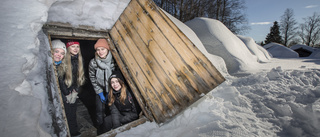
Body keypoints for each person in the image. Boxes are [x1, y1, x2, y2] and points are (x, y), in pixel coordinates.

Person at [88, 39, 115, 134]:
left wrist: (111, 90)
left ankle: (112, 127)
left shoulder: (113, 61)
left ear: (108, 49)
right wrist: (99, 92)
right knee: (100, 110)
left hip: (112, 89)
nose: (100, 52)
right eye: (98, 50)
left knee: (112, 108)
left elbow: (117, 76)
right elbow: (92, 77)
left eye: (103, 49)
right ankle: (101, 129)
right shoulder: (93, 62)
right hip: (99, 88)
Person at [60, 40, 85, 137]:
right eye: (73, 47)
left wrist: (76, 91)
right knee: (67, 112)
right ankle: (68, 132)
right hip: (65, 90)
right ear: (68, 48)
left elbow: (80, 77)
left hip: (74, 89)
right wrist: (66, 93)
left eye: (77, 47)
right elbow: (60, 78)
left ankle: (74, 131)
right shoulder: (64, 60)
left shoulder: (80, 59)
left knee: (73, 111)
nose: (75, 49)